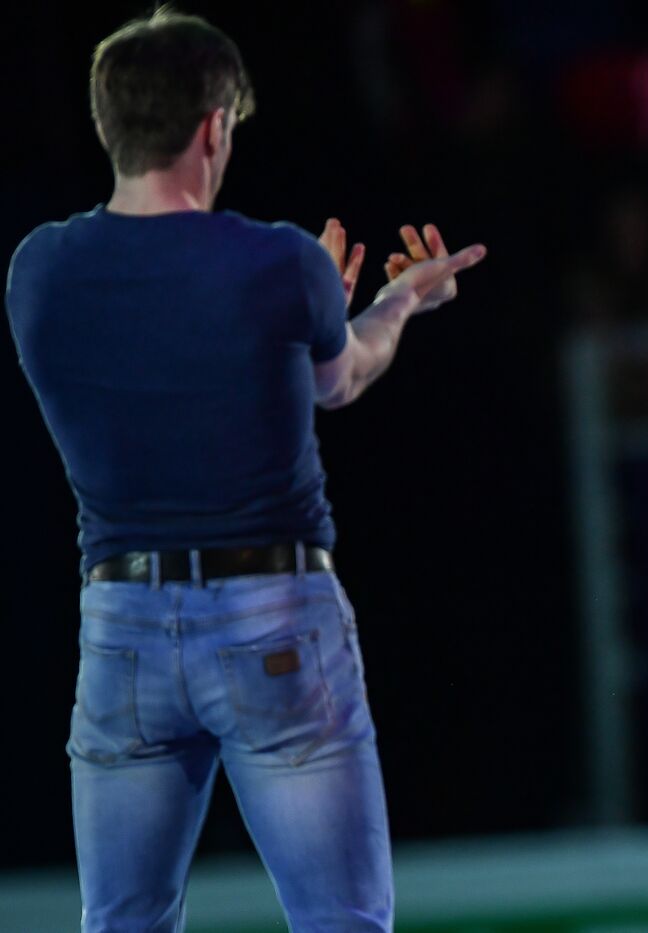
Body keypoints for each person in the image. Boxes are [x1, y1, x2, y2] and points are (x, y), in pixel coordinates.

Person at [3, 9, 485, 931]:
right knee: (341, 919)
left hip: (121, 625)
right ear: (214, 125)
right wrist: (394, 305)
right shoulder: (280, 262)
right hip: (273, 622)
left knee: (121, 923)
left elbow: (167, 369)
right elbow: (337, 380)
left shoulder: (39, 272)